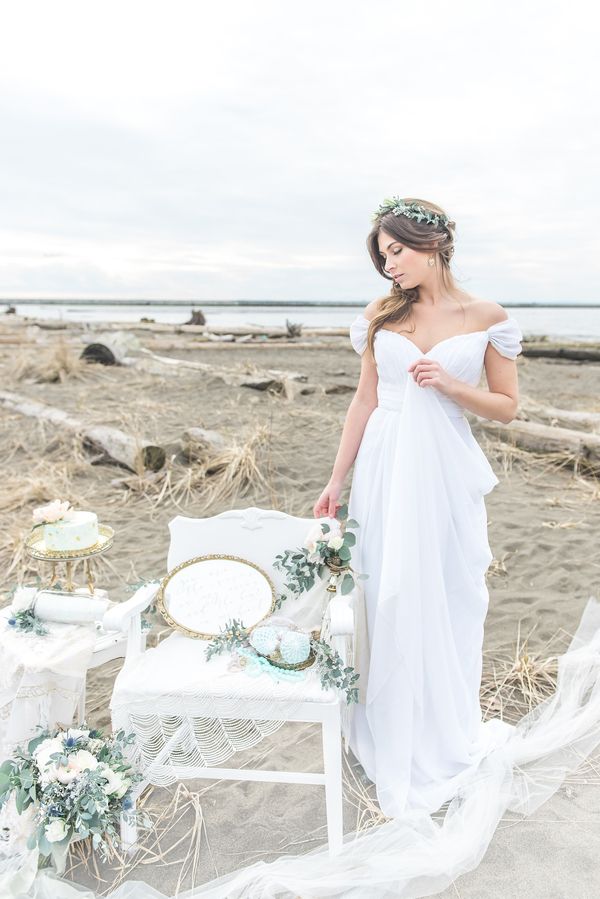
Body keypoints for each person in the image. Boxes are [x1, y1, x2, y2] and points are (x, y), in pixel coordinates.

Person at [313, 196, 524, 818]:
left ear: (431, 244)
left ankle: (441, 730)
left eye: (397, 251)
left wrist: (455, 386)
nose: (390, 267)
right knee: (388, 591)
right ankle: (391, 720)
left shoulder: (486, 316)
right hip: (384, 465)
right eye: (384, 258)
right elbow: (364, 402)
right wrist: (335, 481)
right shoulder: (381, 314)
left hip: (442, 469)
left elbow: (507, 405)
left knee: (452, 590)